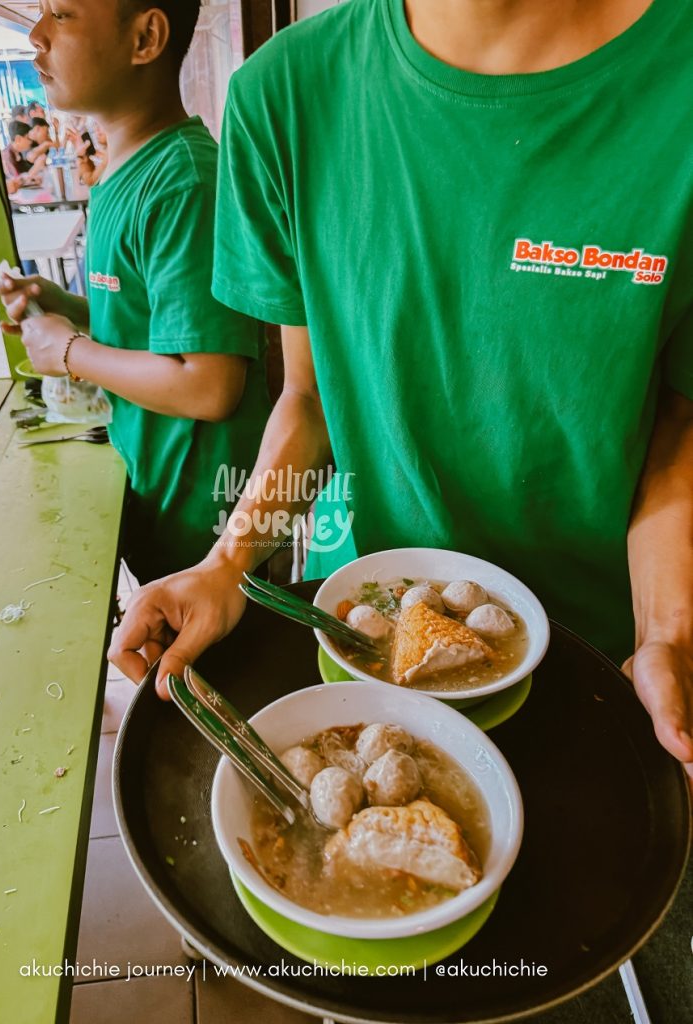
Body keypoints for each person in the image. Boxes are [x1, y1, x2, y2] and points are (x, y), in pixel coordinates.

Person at [109, 0, 693, 781]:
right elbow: (310, 399)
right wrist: (228, 564)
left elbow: (676, 418)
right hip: (364, 632)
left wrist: (671, 635)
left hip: (600, 662)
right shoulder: (283, 93)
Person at [0, 0, 271, 584]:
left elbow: (210, 383)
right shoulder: (124, 170)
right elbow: (151, 320)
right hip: (156, 488)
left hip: (206, 529)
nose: (36, 37)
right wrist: (60, 304)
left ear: (145, 37)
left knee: (207, 672)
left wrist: (69, 353)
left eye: (61, 16)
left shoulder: (183, 184)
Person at [1, 119, 46, 186]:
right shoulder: (6, 156)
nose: (30, 142)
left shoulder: (18, 153)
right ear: (18, 139)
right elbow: (16, 182)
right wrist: (36, 167)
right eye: (28, 138)